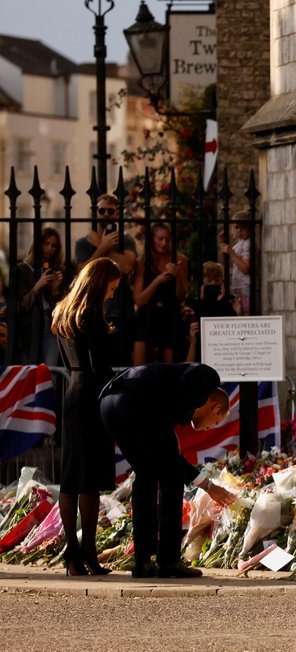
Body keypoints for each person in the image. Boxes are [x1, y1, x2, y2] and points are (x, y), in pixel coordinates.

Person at [99, 362, 235, 578]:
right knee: (172, 476)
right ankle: (168, 560)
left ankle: (142, 561)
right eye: (215, 421)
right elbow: (171, 453)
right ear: (215, 407)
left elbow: (168, 448)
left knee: (146, 475)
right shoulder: (207, 378)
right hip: (137, 404)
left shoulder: (171, 401)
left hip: (110, 404)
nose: (209, 428)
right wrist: (209, 486)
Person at [49, 257, 122, 576]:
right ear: (99, 282)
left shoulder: (62, 310)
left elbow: (69, 361)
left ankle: (72, 553)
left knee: (71, 477)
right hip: (93, 392)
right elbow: (98, 364)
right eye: (111, 287)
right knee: (89, 479)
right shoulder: (90, 314)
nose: (111, 294)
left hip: (73, 391)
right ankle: (88, 550)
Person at [74, 193, 137, 366]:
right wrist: (101, 247)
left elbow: (127, 267)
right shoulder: (82, 243)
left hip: (122, 310)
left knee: (121, 362)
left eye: (111, 211)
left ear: (117, 214)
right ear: (96, 213)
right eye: (102, 210)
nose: (106, 214)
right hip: (94, 310)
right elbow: (82, 273)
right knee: (97, 361)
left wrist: (106, 248)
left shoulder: (126, 240)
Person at [133, 222, 188, 364]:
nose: (164, 243)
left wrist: (178, 276)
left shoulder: (179, 259)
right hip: (148, 314)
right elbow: (139, 300)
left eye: (167, 239)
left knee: (168, 366)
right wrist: (157, 281)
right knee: (140, 366)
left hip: (169, 314)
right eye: (160, 239)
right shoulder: (143, 262)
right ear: (152, 239)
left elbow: (181, 296)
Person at [14, 227, 67, 366]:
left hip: (50, 323)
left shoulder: (58, 270)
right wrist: (38, 286)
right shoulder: (23, 269)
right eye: (46, 244)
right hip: (30, 325)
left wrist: (55, 289)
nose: (50, 248)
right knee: (29, 369)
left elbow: (62, 309)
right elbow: (22, 305)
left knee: (50, 370)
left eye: (54, 245)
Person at [219, 212, 252, 315]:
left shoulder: (248, 244)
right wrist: (223, 243)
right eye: (236, 227)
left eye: (243, 227)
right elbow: (229, 259)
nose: (239, 231)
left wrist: (231, 253)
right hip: (238, 288)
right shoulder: (239, 243)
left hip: (246, 289)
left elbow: (245, 268)